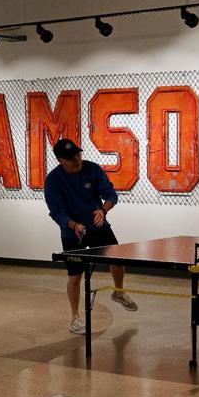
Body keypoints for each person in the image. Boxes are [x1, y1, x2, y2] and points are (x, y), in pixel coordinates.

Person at [44, 138, 137, 335]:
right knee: (75, 276)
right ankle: (75, 318)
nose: (77, 159)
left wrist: (102, 211)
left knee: (117, 259)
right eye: (71, 158)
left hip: (98, 227)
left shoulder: (92, 169)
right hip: (72, 233)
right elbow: (56, 211)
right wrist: (73, 225)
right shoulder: (53, 180)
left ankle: (118, 292)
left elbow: (111, 195)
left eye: (78, 154)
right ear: (61, 160)